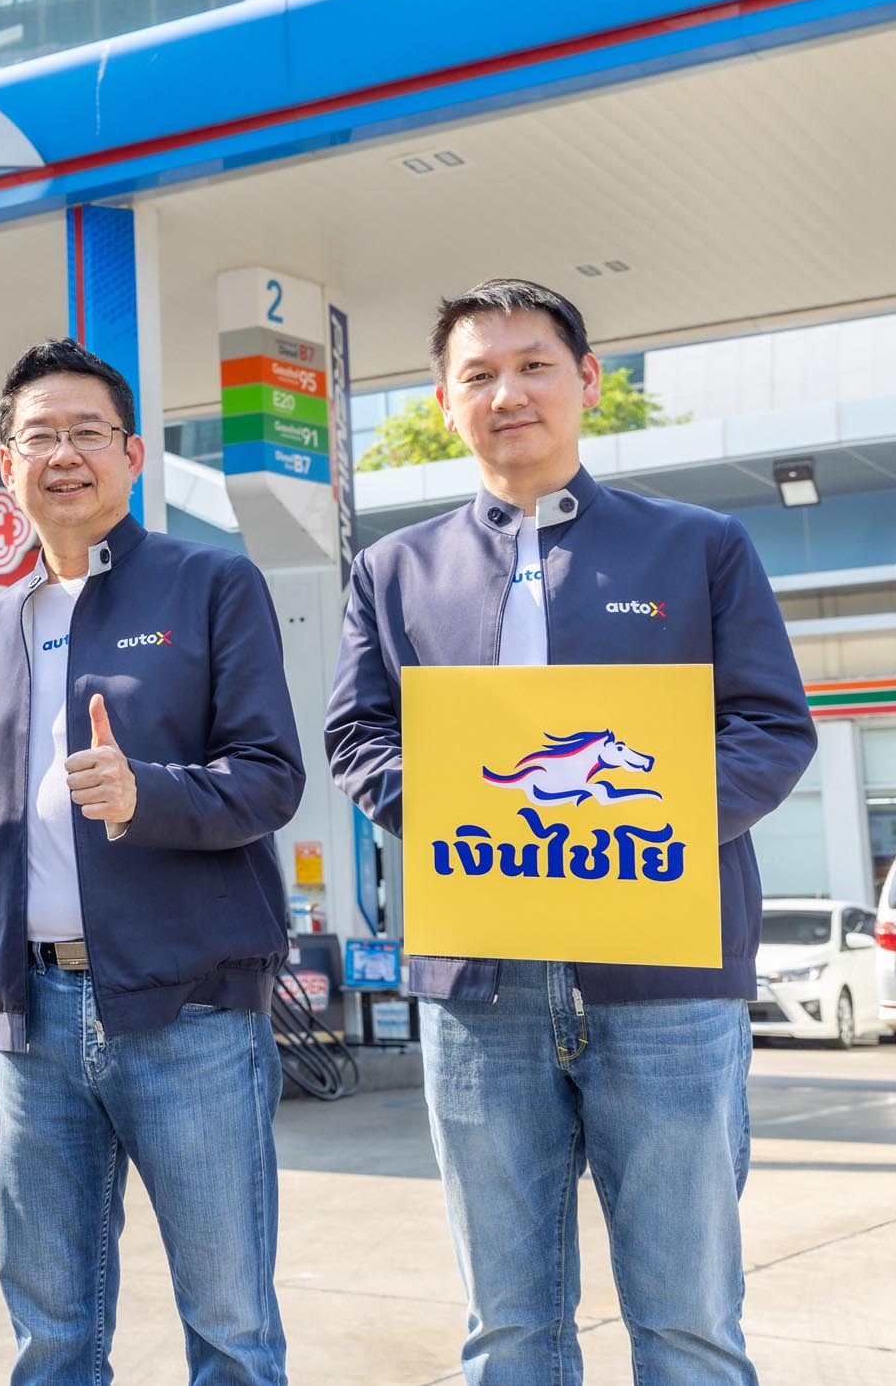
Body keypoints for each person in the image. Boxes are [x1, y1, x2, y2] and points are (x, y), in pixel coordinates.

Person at [327, 278, 816, 1385]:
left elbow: (770, 729)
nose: (508, 392)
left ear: (586, 380)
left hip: (666, 979)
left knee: (688, 1323)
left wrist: (630, 831)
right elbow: (358, 735)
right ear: (445, 403)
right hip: (479, 986)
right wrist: (478, 815)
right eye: (478, 374)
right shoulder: (393, 570)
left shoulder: (699, 546)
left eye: (534, 365)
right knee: (508, 1330)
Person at [0, 338, 303, 1386]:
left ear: (133, 454)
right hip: (34, 1027)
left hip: (191, 1014)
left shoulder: (211, 585)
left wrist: (149, 793)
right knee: (51, 1334)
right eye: (38, 436)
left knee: (230, 1327)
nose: (63, 454)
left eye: (87, 432)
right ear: (7, 464)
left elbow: (271, 776)